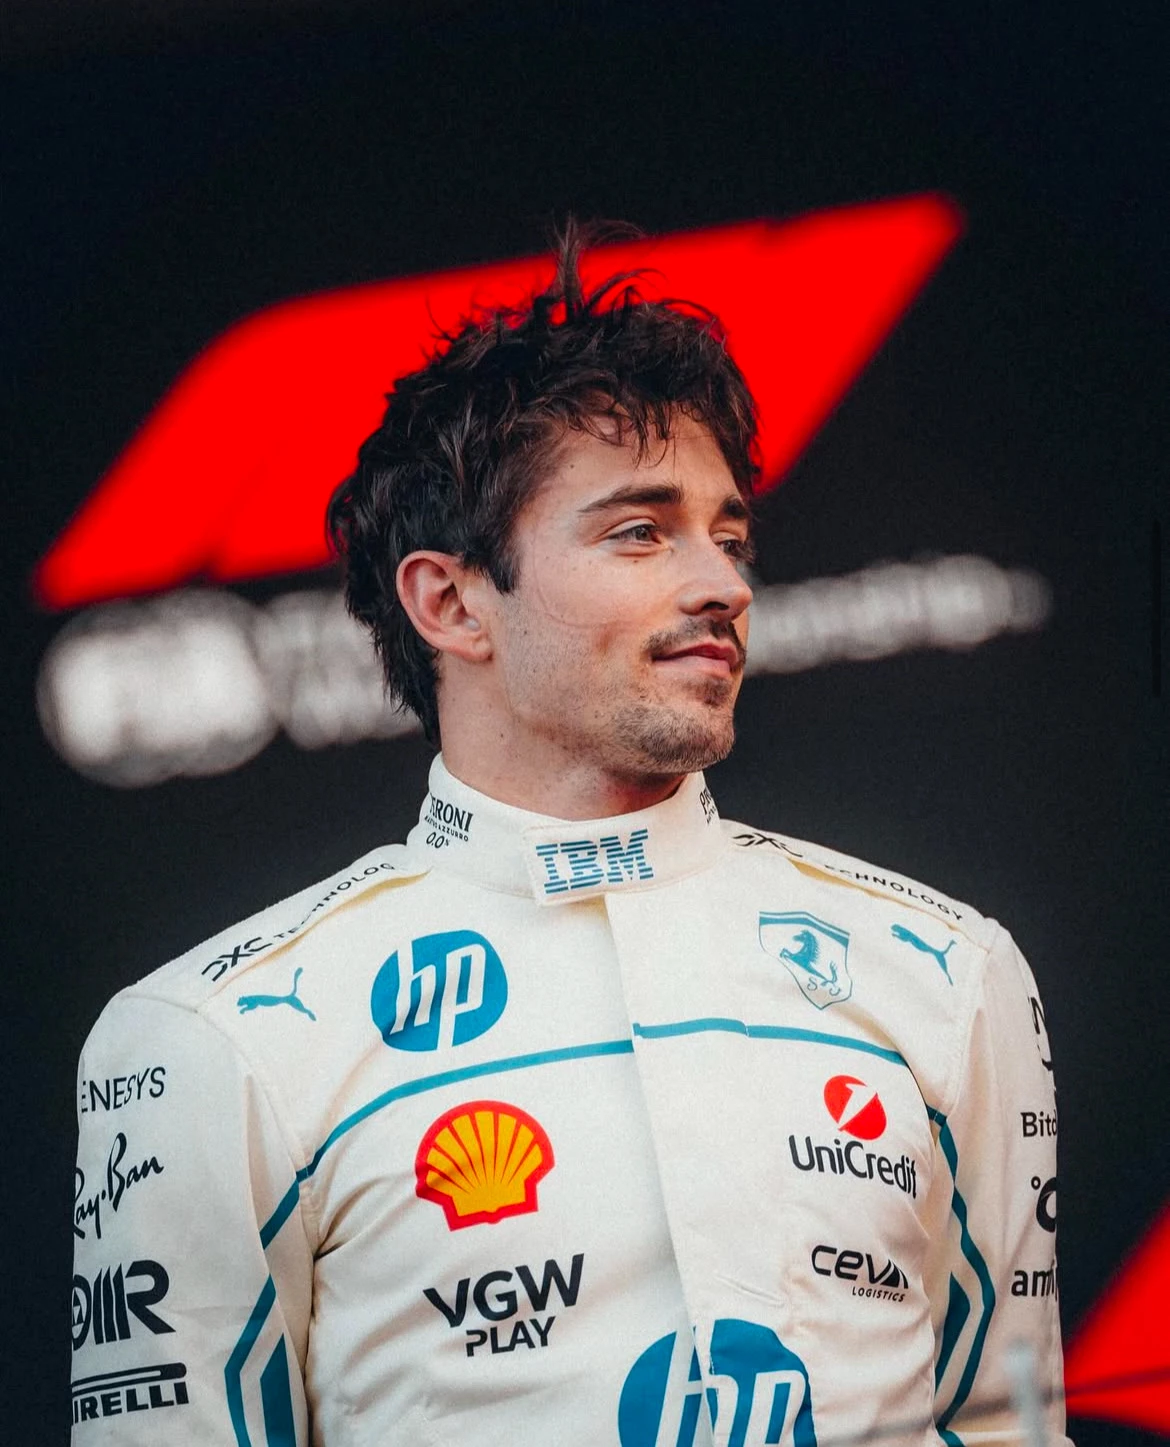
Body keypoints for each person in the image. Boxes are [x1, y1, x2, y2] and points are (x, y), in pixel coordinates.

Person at [70, 224, 1070, 1446]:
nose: (724, 584)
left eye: (730, 536)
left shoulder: (950, 971)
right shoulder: (207, 1039)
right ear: (451, 602)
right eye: (641, 531)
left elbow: (1014, 1422)